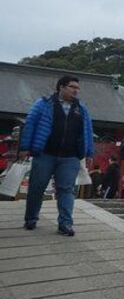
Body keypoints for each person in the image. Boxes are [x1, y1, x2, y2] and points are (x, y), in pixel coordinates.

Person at [20, 75, 95, 236]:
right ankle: (31, 218)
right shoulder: (44, 104)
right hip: (45, 153)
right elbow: (30, 124)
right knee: (36, 187)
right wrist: (25, 147)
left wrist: (89, 152)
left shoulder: (81, 108)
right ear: (61, 87)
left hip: (70, 156)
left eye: (77, 87)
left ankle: (65, 224)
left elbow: (87, 131)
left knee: (66, 189)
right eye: (72, 87)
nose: (75, 90)